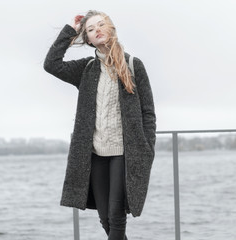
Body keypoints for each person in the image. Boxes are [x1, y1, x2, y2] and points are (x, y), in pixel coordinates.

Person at [43, 10, 156, 240]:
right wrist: (71, 32)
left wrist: (147, 149)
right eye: (91, 30)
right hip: (94, 154)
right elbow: (51, 64)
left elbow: (148, 114)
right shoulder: (86, 69)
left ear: (111, 28)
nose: (97, 30)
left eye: (101, 25)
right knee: (105, 218)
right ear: (88, 39)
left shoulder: (134, 65)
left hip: (124, 154)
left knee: (116, 217)